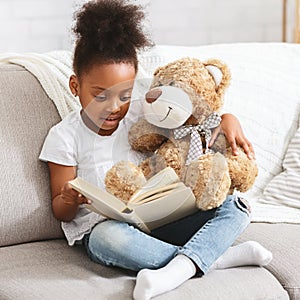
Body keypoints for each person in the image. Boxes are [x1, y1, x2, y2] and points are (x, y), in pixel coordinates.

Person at [39, 1, 272, 299]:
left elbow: (194, 118)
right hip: (111, 230)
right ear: (75, 86)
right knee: (106, 241)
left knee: (234, 206)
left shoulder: (141, 115)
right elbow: (61, 211)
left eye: (124, 95)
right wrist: (69, 198)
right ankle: (210, 259)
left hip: (163, 222)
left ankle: (182, 265)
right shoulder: (64, 136)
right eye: (100, 95)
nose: (114, 107)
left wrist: (228, 120)